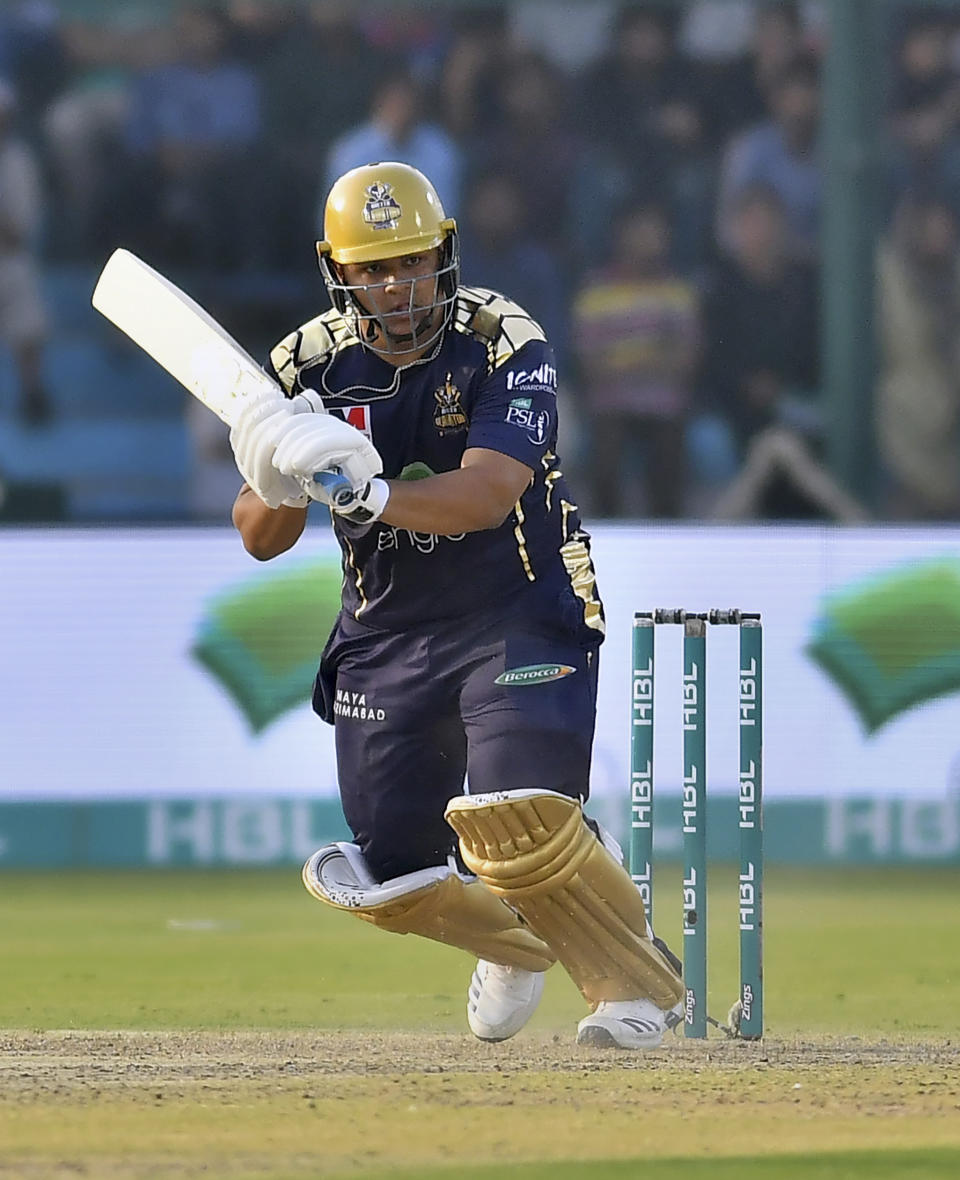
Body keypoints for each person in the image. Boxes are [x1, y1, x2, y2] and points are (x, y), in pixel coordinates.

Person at [228, 161, 684, 1050]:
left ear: (445, 254)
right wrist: (277, 468)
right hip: (387, 631)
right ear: (340, 272)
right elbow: (258, 535)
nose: (396, 286)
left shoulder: (502, 336)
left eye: (412, 262)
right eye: (373, 268)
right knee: (389, 874)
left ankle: (627, 987)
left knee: (522, 819)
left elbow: (484, 496)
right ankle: (520, 941)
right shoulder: (304, 363)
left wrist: (366, 493)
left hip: (518, 604)